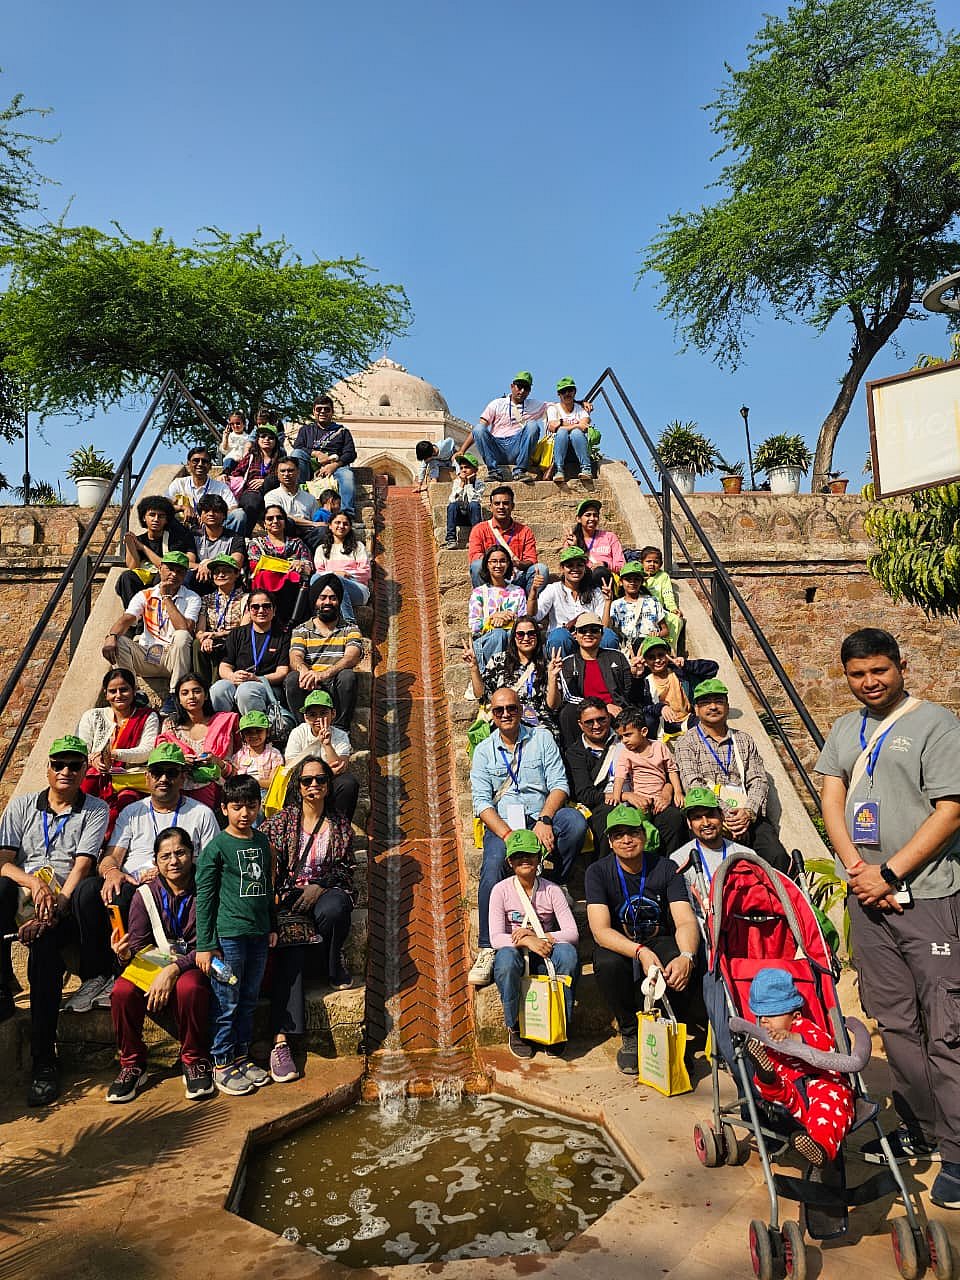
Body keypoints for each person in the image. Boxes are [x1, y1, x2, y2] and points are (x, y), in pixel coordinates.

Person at [816, 628, 960, 1206]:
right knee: (895, 1024)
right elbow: (832, 793)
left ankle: (957, 1151)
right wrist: (855, 866)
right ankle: (920, 1129)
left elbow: (951, 811)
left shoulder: (937, 726)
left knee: (946, 1029)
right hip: (867, 899)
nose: (869, 682)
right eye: (857, 674)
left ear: (901, 666)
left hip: (925, 897)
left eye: (879, 670)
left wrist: (891, 872)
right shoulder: (846, 728)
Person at [70, 743, 220, 1013]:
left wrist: (168, 872)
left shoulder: (201, 814)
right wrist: (113, 872)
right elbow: (110, 857)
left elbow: (212, 865)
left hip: (177, 887)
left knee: (135, 895)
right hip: (133, 884)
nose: (164, 779)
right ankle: (96, 976)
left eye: (171, 773)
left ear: (183, 777)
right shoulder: (132, 812)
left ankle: (123, 973)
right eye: (157, 772)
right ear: (147, 777)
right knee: (90, 890)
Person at [0, 736, 109, 1105]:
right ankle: (2, 981)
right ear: (47, 768)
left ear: (84, 771)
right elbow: (3, 860)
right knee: (0, 886)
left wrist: (55, 905)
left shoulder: (94, 808)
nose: (66, 771)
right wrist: (33, 885)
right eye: (59, 764)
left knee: (44, 955)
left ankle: (44, 1062)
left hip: (63, 903)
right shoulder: (21, 806)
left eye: (74, 766)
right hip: (25, 896)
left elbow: (83, 864)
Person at [468, 686, 587, 987]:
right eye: (499, 710)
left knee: (573, 823)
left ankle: (557, 881)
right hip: (505, 821)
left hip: (539, 813)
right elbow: (482, 803)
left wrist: (546, 818)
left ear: (521, 710)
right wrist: (508, 835)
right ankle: (486, 945)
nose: (506, 714)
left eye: (511, 708)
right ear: (492, 715)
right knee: (493, 865)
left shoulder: (542, 738)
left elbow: (560, 784)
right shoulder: (484, 751)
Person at [261, 756, 357, 1082]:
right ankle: (281, 1042)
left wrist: (321, 885)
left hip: (324, 892)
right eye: (307, 781)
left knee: (335, 908)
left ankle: (331, 965)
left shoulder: (340, 824)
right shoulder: (282, 821)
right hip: (288, 900)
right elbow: (257, 843)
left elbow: (345, 869)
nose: (313, 786)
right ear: (298, 786)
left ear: (329, 786)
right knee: (292, 949)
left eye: (320, 780)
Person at [585, 804, 700, 1075]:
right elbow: (600, 931)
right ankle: (630, 1032)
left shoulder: (666, 867)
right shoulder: (598, 873)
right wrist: (638, 951)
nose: (627, 840)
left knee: (677, 957)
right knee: (606, 962)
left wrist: (687, 957)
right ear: (610, 841)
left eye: (633, 832)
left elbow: (684, 920)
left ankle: (672, 1031)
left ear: (644, 835)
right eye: (619, 834)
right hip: (623, 944)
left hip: (658, 938)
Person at [106, 827, 214, 1103]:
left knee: (189, 988)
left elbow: (208, 943)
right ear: (155, 861)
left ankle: (194, 1058)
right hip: (155, 960)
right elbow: (140, 945)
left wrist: (174, 970)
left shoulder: (207, 888)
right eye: (165, 856)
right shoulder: (145, 895)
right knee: (121, 992)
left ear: (192, 854)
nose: (173, 861)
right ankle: (132, 1064)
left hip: (196, 961)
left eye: (180, 853)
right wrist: (124, 955)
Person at [196, 773, 277, 1096]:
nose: (245, 813)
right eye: (237, 807)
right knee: (226, 1000)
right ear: (224, 809)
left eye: (251, 806)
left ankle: (241, 1056)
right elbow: (206, 897)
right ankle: (221, 1061)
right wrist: (206, 945)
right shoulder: (217, 847)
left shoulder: (261, 842)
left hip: (257, 934)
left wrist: (271, 925)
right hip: (228, 937)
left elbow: (267, 888)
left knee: (248, 999)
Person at [673, 679, 790, 872]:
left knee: (777, 856)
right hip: (710, 815)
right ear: (696, 709)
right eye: (705, 702)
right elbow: (693, 784)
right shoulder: (687, 742)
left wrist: (748, 813)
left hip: (747, 813)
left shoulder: (743, 740)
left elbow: (758, 780)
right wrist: (726, 814)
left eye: (718, 701)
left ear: (727, 706)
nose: (713, 706)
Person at [744, 968, 855, 1167]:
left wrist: (793, 1038)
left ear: (794, 1016)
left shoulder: (803, 1027)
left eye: (773, 1014)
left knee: (828, 1109)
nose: (765, 1021)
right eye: (760, 1016)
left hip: (822, 1083)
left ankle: (820, 1149)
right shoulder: (763, 1040)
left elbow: (826, 1044)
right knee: (770, 1085)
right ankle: (766, 1075)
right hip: (789, 1093)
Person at [489, 828, 579, 1060]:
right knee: (506, 961)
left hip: (545, 950)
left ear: (539, 858)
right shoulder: (500, 891)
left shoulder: (552, 890)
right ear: (510, 862)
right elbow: (496, 937)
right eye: (518, 856)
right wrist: (527, 940)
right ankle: (515, 1027)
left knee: (568, 954)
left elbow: (571, 933)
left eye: (529, 854)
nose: (524, 860)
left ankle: (560, 1023)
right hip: (516, 951)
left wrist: (545, 939)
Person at [102, 551, 202, 717]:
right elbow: (127, 618)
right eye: (170, 569)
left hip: (173, 657)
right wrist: (111, 636)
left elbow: (185, 627)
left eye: (179, 571)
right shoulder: (145, 594)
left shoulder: (192, 598)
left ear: (185, 575)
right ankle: (135, 692)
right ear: (160, 568)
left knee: (182, 636)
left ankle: (174, 693)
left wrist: (167, 597)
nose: (174, 574)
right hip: (148, 654)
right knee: (118, 640)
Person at [77, 667, 160, 839]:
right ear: (105, 694)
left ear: (134, 691)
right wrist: (93, 760)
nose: (118, 695)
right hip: (97, 776)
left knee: (124, 804)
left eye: (124, 689)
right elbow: (81, 749)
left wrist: (112, 754)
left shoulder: (147, 716)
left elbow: (146, 751)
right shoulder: (92, 716)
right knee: (80, 799)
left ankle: (109, 848)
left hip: (129, 780)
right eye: (112, 691)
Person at [464, 614, 561, 738]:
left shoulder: (548, 665)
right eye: (521, 634)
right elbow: (482, 695)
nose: (526, 638)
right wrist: (474, 668)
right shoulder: (499, 661)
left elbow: (552, 706)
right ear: (514, 637)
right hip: (506, 717)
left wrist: (553, 677)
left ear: (537, 637)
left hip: (538, 721)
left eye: (531, 634)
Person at [284, 577, 363, 730]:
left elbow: (351, 657)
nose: (327, 602)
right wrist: (305, 671)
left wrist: (325, 674)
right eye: (323, 598)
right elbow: (295, 656)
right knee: (292, 678)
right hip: (309, 685)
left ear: (339, 601)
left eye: (333, 598)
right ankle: (305, 729)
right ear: (315, 601)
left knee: (348, 676)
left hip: (334, 684)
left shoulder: (350, 629)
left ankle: (341, 728)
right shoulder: (301, 629)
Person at [157, 673, 239, 809]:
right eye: (185, 693)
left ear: (206, 695)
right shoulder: (170, 726)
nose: (191, 697)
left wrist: (216, 761)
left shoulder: (222, 723)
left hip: (212, 788)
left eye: (197, 691)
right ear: (179, 699)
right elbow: (162, 761)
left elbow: (231, 771)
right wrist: (180, 760)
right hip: (176, 785)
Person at [610, 708, 685, 855]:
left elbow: (671, 770)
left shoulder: (659, 746)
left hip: (660, 800)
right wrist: (616, 797)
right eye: (621, 737)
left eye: (628, 735)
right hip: (639, 801)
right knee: (637, 827)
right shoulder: (626, 753)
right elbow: (620, 776)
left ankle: (672, 860)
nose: (624, 740)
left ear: (643, 732)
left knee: (674, 818)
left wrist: (677, 791)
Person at [671, 788, 752, 922]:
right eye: (697, 817)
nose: (706, 823)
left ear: (722, 815)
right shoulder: (678, 860)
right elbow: (686, 916)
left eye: (710, 815)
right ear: (689, 823)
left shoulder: (746, 855)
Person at [551, 610, 633, 743]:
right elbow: (569, 697)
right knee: (567, 713)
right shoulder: (568, 663)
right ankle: (573, 754)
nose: (588, 634)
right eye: (583, 631)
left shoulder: (617, 657)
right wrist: (603, 707)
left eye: (594, 630)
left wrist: (638, 676)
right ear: (575, 635)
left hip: (617, 711)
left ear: (601, 634)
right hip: (586, 714)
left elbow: (628, 690)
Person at [209, 590, 291, 718]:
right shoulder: (237, 633)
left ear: (274, 610)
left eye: (266, 606)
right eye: (255, 607)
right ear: (248, 610)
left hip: (266, 685)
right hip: (238, 680)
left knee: (246, 691)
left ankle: (255, 730)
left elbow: (282, 672)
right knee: (218, 689)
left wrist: (257, 679)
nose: (261, 610)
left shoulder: (283, 636)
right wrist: (232, 676)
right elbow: (224, 666)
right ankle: (224, 729)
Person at [279, 690, 358, 820]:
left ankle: (338, 826)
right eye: (312, 715)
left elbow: (340, 767)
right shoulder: (298, 733)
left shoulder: (341, 736)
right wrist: (322, 773)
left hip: (329, 781)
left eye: (323, 713)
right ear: (305, 717)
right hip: (305, 780)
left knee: (348, 783)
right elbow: (291, 766)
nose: (318, 719)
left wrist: (327, 744)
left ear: (333, 714)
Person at [529, 548, 615, 657]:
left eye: (579, 565)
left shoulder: (595, 592)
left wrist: (608, 602)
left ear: (585, 567)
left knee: (608, 636)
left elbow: (604, 627)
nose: (575, 569)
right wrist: (533, 591)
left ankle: (605, 671)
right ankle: (560, 672)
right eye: (570, 565)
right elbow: (533, 616)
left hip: (589, 639)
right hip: (563, 639)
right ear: (562, 569)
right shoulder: (553, 589)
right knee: (559, 636)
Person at [564, 698, 622, 858]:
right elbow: (585, 794)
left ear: (609, 717)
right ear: (580, 724)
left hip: (639, 794)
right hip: (602, 804)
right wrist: (621, 796)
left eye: (601, 719)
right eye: (589, 722)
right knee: (607, 816)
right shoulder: (574, 753)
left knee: (670, 818)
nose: (596, 726)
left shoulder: (626, 739)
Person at [116, 495, 196, 608]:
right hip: (146, 577)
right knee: (126, 577)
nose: (156, 519)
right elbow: (133, 567)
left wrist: (143, 548)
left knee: (162, 576)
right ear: (144, 517)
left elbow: (166, 565)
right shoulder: (139, 539)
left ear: (166, 519)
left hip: (164, 579)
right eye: (152, 515)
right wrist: (131, 546)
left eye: (161, 516)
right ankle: (134, 618)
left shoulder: (175, 539)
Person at [634, 637, 718, 739]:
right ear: (646, 661)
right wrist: (660, 707)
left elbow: (713, 668)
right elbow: (640, 708)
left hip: (687, 719)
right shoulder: (645, 681)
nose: (657, 660)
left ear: (667, 655)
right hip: (662, 725)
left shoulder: (679, 672)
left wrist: (686, 664)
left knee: (708, 725)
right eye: (651, 657)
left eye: (660, 655)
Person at [288, 394, 358, 516]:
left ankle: (346, 514)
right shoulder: (306, 430)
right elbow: (298, 447)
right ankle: (298, 499)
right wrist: (316, 453)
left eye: (326, 409)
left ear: (332, 412)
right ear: (314, 411)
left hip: (335, 466)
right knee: (296, 454)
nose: (322, 412)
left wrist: (334, 465)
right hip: (310, 465)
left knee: (347, 475)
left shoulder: (342, 431)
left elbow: (350, 453)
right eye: (319, 409)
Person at [467, 485, 547, 591]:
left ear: (512, 506)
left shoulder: (525, 531)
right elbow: (475, 556)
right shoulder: (479, 529)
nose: (501, 507)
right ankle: (486, 600)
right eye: (497, 504)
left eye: (505, 503)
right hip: (492, 574)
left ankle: (527, 604)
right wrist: (499, 563)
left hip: (517, 576)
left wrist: (515, 564)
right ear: (491, 507)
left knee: (541, 569)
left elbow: (531, 560)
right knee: (477, 566)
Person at [472, 371, 547, 483]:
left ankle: (520, 470)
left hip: (516, 447)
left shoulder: (533, 405)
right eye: (519, 386)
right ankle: (494, 472)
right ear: (512, 386)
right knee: (478, 428)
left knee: (532, 426)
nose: (522, 391)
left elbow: (557, 406)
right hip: (497, 447)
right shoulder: (497, 403)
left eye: (526, 388)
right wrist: (462, 450)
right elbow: (479, 429)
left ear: (529, 391)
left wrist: (580, 406)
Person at [247, 504, 313, 623]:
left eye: (279, 517)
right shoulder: (256, 543)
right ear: (264, 524)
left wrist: (301, 564)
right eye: (270, 518)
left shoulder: (297, 543)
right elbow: (255, 565)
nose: (275, 521)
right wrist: (289, 565)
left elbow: (308, 566)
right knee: (266, 575)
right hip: (266, 589)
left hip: (291, 591)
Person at [191, 555, 250, 685]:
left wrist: (219, 634)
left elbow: (244, 629)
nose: (220, 575)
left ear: (236, 574)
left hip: (234, 639)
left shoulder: (246, 598)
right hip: (212, 639)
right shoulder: (206, 599)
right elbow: (200, 631)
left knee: (227, 645)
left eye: (226, 571)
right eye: (217, 572)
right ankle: (202, 686)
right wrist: (204, 638)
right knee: (197, 644)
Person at [468, 546, 529, 667]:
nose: (498, 565)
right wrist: (494, 617)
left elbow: (524, 621)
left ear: (508, 564)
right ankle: (494, 675)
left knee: (507, 634)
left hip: (512, 640)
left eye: (502, 561)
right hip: (487, 641)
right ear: (487, 565)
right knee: (498, 634)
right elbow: (474, 625)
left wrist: (508, 619)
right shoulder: (479, 592)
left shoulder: (518, 591)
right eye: (493, 561)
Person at [311, 511, 372, 624]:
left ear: (349, 527)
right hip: (330, 591)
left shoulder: (358, 547)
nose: (341, 526)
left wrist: (343, 575)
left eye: (345, 523)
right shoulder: (321, 549)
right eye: (337, 523)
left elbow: (366, 572)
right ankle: (316, 620)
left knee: (336, 580)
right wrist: (335, 573)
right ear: (330, 526)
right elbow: (319, 574)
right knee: (315, 578)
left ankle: (350, 622)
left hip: (357, 589)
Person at [167, 446, 243, 533]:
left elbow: (233, 507)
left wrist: (212, 516)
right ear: (188, 464)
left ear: (210, 466)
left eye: (204, 461)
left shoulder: (221, 487)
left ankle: (231, 544)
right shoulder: (179, 483)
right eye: (196, 461)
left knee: (239, 514)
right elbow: (163, 505)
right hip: (185, 529)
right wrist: (183, 507)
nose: (200, 464)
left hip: (214, 529)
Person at [226, 422, 285, 531]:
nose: (266, 439)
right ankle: (245, 535)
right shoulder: (251, 457)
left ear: (276, 442)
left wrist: (265, 481)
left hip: (273, 493)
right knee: (253, 501)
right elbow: (237, 472)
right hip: (251, 493)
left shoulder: (281, 459)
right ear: (257, 440)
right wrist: (224, 474)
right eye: (263, 436)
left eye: (271, 437)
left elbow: (285, 477)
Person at [187, 494, 247, 592]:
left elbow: (236, 562)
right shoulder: (193, 535)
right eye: (206, 511)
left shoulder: (235, 537)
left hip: (224, 579)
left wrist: (210, 564)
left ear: (224, 515)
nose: (211, 514)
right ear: (200, 516)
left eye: (216, 511)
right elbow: (189, 562)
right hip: (201, 578)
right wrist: (202, 566)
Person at [609, 562, 668, 654]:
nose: (632, 582)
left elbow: (665, 630)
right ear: (621, 582)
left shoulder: (652, 601)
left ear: (642, 582)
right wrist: (607, 602)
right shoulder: (616, 605)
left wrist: (657, 634)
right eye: (628, 579)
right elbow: (607, 627)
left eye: (636, 579)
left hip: (652, 645)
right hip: (629, 647)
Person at [230, 711, 283, 808]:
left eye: (258, 731)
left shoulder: (274, 754)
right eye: (249, 732)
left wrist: (251, 782)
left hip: (264, 794)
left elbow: (274, 782)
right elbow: (233, 778)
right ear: (242, 735)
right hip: (241, 793)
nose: (254, 735)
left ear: (267, 732)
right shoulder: (239, 755)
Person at [270, 457, 324, 552]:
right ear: (277, 474)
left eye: (290, 470)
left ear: (298, 472)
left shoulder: (310, 498)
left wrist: (314, 525)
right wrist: (312, 524)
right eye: (282, 471)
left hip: (307, 536)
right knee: (288, 521)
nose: (286, 474)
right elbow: (280, 517)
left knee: (323, 530)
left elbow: (317, 522)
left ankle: (308, 556)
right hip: (284, 536)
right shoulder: (272, 496)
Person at [545, 377, 593, 482]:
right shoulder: (553, 408)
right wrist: (576, 425)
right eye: (563, 391)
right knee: (562, 432)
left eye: (570, 390)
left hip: (576, 449)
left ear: (575, 391)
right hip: (558, 450)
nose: (567, 393)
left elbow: (585, 426)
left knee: (575, 433)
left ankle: (586, 469)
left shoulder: (580, 409)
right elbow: (552, 427)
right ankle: (559, 470)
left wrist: (562, 424)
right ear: (559, 394)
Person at [563, 499, 624, 581]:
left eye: (595, 515)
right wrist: (574, 547)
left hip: (606, 580)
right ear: (579, 519)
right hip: (583, 580)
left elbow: (622, 565)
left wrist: (605, 564)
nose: (592, 518)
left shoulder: (610, 537)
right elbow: (567, 567)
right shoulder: (572, 540)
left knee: (600, 572)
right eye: (588, 515)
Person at [638, 546, 684, 653]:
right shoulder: (638, 575)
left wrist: (673, 608)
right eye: (648, 561)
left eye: (655, 562)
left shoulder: (663, 576)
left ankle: (669, 647)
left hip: (659, 611)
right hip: (641, 610)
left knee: (676, 620)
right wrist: (643, 580)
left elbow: (667, 594)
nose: (652, 565)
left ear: (661, 564)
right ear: (642, 562)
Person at [443, 452, 484, 550]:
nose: (464, 470)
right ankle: (451, 539)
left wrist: (469, 484)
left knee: (474, 505)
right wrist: (462, 484)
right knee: (453, 505)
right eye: (461, 468)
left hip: (473, 517)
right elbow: (453, 499)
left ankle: (475, 540)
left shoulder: (480, 484)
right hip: (459, 516)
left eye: (467, 467)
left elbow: (474, 500)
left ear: (475, 470)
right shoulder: (457, 482)